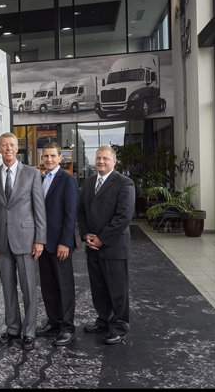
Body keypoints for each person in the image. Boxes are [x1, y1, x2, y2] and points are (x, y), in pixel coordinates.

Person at [0, 132, 47, 350]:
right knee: (8, 288)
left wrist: (40, 239)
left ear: (17, 148)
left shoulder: (31, 173)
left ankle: (28, 331)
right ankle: (13, 329)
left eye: (12, 145)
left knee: (28, 288)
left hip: (27, 240)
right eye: (4, 145)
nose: (8, 148)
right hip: (2, 241)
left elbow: (39, 209)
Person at [77, 145, 135, 345]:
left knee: (118, 290)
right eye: (98, 158)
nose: (101, 161)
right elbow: (81, 211)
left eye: (105, 159)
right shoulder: (88, 182)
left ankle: (119, 326)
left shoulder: (124, 183)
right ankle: (104, 320)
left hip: (114, 247)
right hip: (92, 246)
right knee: (98, 288)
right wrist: (86, 235)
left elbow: (123, 217)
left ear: (114, 162)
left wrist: (101, 238)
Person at [35, 142, 79, 346]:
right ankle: (54, 321)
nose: (49, 160)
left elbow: (71, 215)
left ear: (61, 158)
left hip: (60, 244)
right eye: (46, 156)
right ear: (41, 159)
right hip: (43, 244)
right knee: (48, 286)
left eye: (53, 156)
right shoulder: (40, 178)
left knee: (65, 287)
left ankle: (68, 327)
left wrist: (65, 242)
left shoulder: (67, 180)